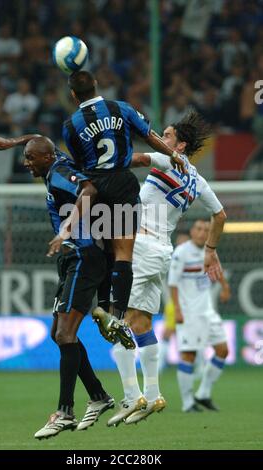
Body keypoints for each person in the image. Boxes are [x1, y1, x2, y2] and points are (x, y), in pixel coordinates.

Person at [0, 134, 116, 436]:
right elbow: (37, 138)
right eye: (26, 157)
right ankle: (98, 396)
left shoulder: (58, 173)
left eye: (31, 158)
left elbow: (89, 188)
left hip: (83, 255)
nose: (26, 162)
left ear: (45, 158)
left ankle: (65, 411)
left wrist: (67, 229)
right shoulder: (53, 160)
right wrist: (11, 142)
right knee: (58, 334)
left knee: (65, 333)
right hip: (73, 259)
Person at [106, 111, 227, 426]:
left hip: (142, 246)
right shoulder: (197, 179)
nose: (161, 137)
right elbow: (221, 215)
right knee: (142, 323)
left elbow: (130, 159)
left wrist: (102, 155)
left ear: (181, 145)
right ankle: (154, 393)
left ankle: (132, 397)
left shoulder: (165, 160)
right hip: (162, 251)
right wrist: (211, 251)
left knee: (116, 321)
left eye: (168, 135)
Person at [63, 71, 186, 343]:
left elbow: (80, 163)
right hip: (122, 183)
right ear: (96, 85)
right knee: (123, 253)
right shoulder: (121, 108)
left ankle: (104, 306)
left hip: (94, 188)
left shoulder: (70, 126)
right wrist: (173, 154)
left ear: (73, 95)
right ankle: (118, 316)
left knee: (105, 249)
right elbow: (150, 135)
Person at [168, 219, 230, 412]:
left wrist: (225, 287)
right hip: (189, 312)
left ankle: (203, 393)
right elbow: (173, 283)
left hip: (207, 311)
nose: (203, 233)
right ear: (192, 232)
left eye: (206, 229)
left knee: (223, 350)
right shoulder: (181, 253)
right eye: (199, 229)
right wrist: (177, 309)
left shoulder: (209, 251)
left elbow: (216, 269)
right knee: (189, 354)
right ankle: (187, 403)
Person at [158, 231, 190, 371]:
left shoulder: (194, 259)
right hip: (174, 301)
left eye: (184, 243)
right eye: (179, 243)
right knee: (168, 332)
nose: (181, 245)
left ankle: (199, 367)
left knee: (191, 336)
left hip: (190, 303)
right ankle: (159, 366)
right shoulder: (171, 259)